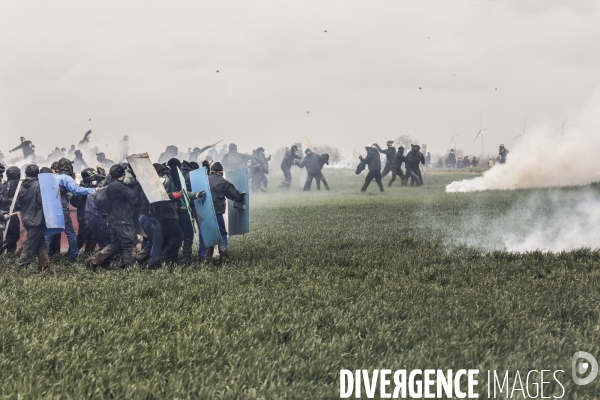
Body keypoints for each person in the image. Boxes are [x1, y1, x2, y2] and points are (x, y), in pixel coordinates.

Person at [85, 164, 141, 270]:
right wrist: (138, 183)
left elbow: (127, 188)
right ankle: (130, 268)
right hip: (121, 220)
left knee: (115, 245)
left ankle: (94, 261)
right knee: (128, 243)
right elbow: (132, 194)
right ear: (122, 174)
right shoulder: (117, 186)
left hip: (113, 219)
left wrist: (134, 184)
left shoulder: (113, 184)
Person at [44, 158, 95, 262]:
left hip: (49, 209)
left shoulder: (52, 177)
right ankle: (73, 257)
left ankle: (44, 258)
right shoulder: (66, 178)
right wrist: (93, 190)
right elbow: (76, 190)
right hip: (61, 209)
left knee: (48, 235)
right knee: (71, 234)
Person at [199, 162, 244, 263]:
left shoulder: (204, 180)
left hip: (204, 213)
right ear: (221, 172)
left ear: (212, 171)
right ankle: (224, 256)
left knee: (206, 234)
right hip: (217, 213)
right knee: (222, 234)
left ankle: (206, 258)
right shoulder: (224, 182)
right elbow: (237, 197)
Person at [14, 165, 53, 272]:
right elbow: (42, 201)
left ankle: (44, 267)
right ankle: (21, 268)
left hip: (26, 218)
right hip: (36, 219)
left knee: (41, 243)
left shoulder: (22, 185)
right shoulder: (38, 185)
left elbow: (18, 203)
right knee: (30, 244)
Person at [153, 163, 184, 264]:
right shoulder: (165, 179)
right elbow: (163, 196)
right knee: (178, 237)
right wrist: (173, 196)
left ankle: (157, 259)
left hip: (163, 214)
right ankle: (169, 258)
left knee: (165, 238)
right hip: (169, 214)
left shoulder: (164, 179)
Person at [70, 168, 103, 253]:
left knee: (93, 236)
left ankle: (88, 254)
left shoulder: (97, 186)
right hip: (83, 215)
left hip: (94, 215)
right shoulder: (82, 187)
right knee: (82, 236)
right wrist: (86, 190)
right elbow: (74, 202)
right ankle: (71, 254)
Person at [0, 166, 22, 254]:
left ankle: (10, 253)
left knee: (9, 235)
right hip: (10, 213)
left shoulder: (5, 183)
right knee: (13, 236)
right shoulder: (16, 184)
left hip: (4, 212)